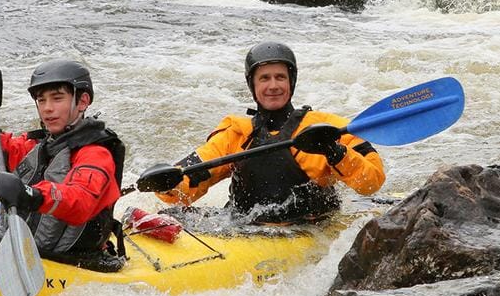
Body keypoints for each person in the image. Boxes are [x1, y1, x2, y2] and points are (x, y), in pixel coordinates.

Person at [143, 42, 385, 224]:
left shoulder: (326, 127)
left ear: (291, 82)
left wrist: (335, 151)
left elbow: (371, 183)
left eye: (280, 77)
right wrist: (168, 184)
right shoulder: (236, 133)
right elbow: (187, 185)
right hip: (244, 225)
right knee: (169, 216)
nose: (273, 86)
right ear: (253, 85)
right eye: (264, 78)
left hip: (308, 226)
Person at [0, 57, 127, 269]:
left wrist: (32, 195)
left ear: (83, 101)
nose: (47, 108)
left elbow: (81, 202)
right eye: (41, 100)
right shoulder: (32, 147)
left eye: (57, 98)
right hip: (29, 248)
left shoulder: (95, 154)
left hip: (73, 261)